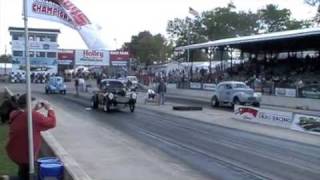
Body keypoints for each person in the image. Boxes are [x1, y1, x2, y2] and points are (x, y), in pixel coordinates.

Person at [6, 94, 56, 180]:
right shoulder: (32, 116)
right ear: (29, 105)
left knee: (24, 173)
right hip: (25, 155)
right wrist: (50, 109)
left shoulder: (15, 113)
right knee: (29, 177)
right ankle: (7, 178)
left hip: (14, 150)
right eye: (33, 104)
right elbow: (51, 123)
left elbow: (26, 116)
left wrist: (34, 109)